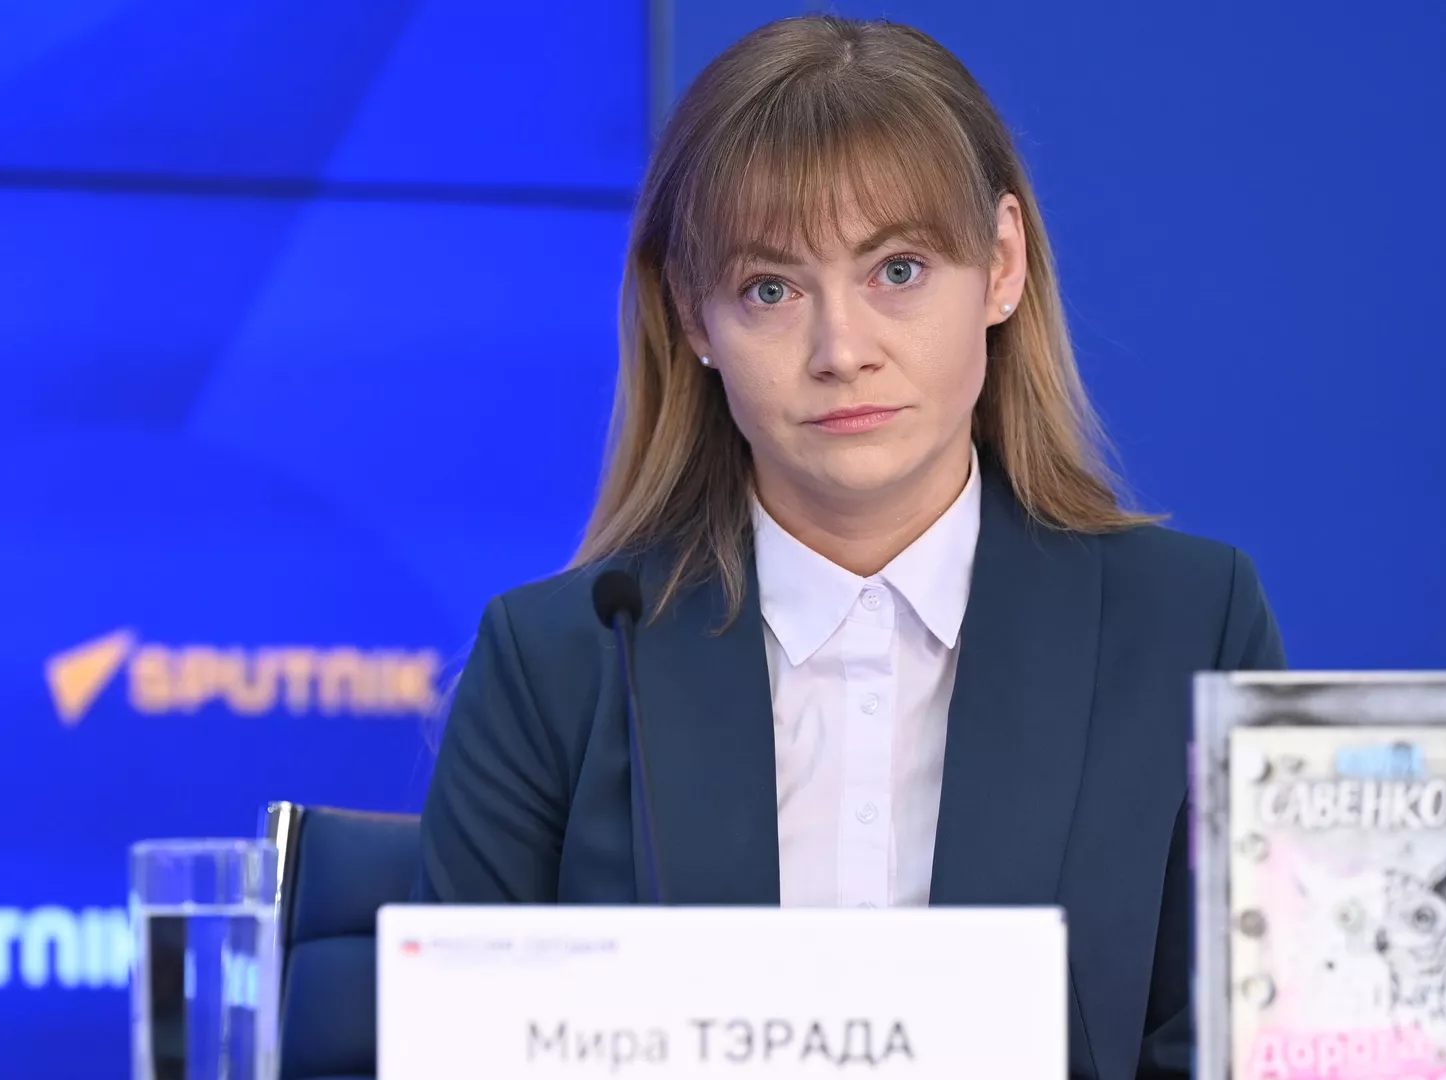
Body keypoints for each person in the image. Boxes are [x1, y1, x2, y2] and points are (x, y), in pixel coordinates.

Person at [416, 14, 1284, 1079]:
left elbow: (1241, 1049)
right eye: (770, 290)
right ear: (694, 316)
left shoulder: (1186, 628)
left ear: (1001, 263)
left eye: (898, 270)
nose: (840, 350)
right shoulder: (562, 662)